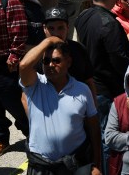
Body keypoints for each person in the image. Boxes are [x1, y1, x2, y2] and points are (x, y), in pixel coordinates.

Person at [76, 0, 129, 173]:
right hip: (107, 91)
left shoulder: (83, 17)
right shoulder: (109, 23)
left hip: (90, 86)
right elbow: (120, 60)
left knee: (97, 137)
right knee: (109, 139)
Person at [19, 38, 101, 174]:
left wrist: (97, 162)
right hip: (41, 166)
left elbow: (94, 127)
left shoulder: (82, 90)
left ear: (68, 62)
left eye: (56, 60)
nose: (50, 65)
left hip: (74, 164)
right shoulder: (35, 85)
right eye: (46, 61)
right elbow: (24, 66)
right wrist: (49, 40)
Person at [0, 0, 29, 158]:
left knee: (15, 105)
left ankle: (34, 135)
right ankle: (0, 139)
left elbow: (19, 30)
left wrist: (13, 57)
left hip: (5, 65)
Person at [42, 7, 96, 98]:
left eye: (60, 28)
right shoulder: (37, 54)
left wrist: (93, 107)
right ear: (44, 29)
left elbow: (89, 81)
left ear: (67, 27)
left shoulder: (79, 49)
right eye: (51, 28)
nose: (56, 33)